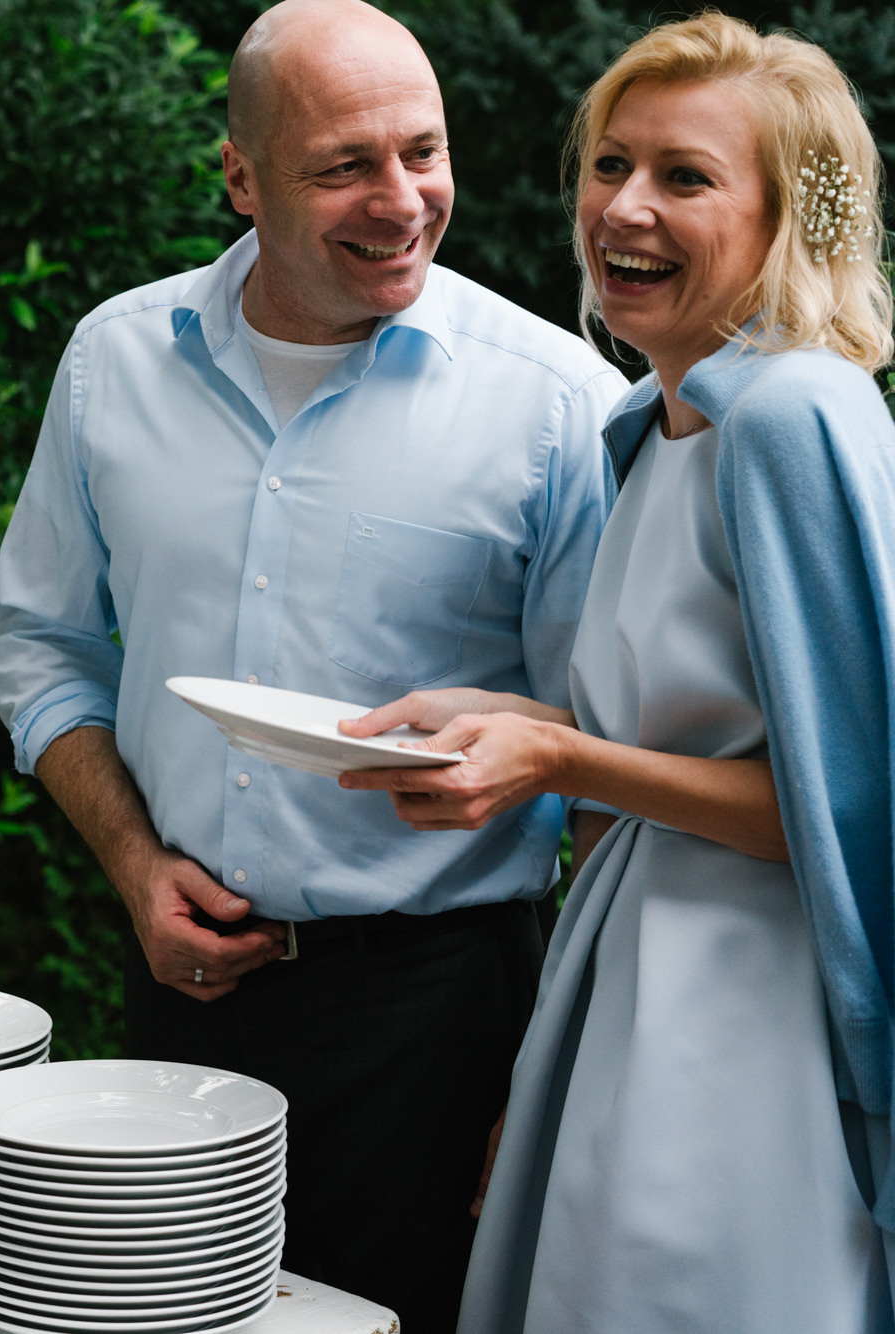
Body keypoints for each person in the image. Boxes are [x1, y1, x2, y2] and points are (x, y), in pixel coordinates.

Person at [0, 0, 625, 1325]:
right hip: (182, 982)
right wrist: (130, 862)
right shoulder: (113, 362)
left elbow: (613, 769)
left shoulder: (560, 403)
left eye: (423, 151)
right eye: (345, 165)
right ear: (241, 176)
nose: (400, 200)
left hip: (447, 1019)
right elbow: (43, 648)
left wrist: (553, 1072)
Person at [339, 14, 895, 1332]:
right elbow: (703, 730)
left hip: (749, 1025)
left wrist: (566, 759)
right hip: (630, 970)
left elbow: (850, 806)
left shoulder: (794, 419)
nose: (624, 208)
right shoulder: (651, 421)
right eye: (609, 163)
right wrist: (517, 719)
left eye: (687, 178)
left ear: (786, 220)